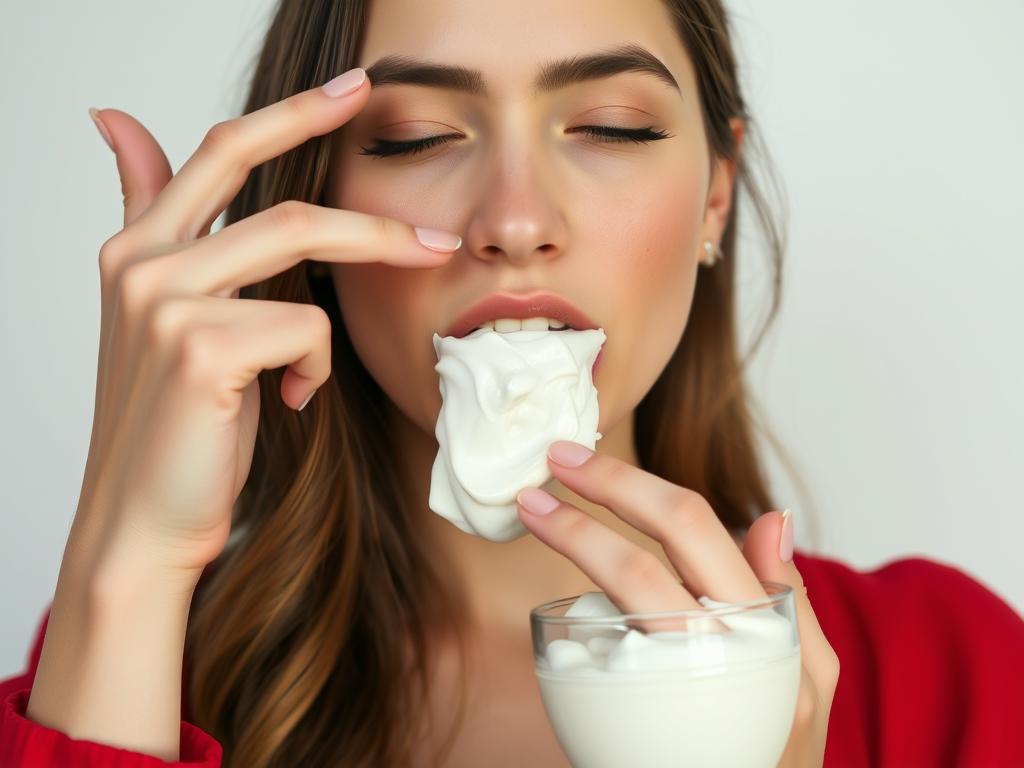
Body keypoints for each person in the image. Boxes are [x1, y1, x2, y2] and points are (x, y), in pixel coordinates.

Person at [2, 0, 1022, 765]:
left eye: (613, 126)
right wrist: (130, 555)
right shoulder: (139, 672)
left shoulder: (952, 678)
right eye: (414, 138)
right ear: (312, 211)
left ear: (713, 197)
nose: (516, 217)